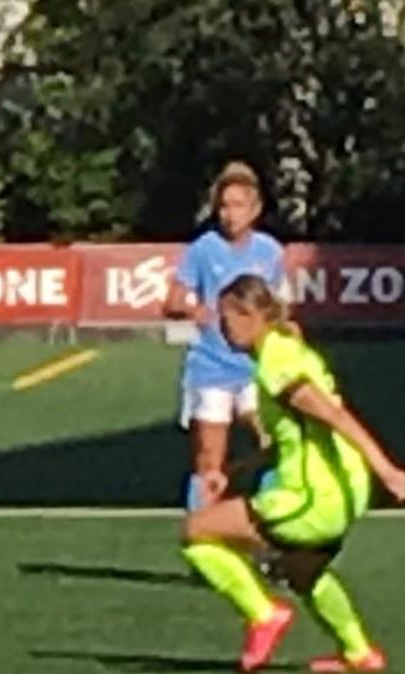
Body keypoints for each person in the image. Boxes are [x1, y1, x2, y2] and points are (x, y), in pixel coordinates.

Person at [181, 274, 405, 673]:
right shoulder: (290, 349)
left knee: (197, 532)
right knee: (306, 571)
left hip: (312, 496)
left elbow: (334, 415)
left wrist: (390, 472)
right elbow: (289, 438)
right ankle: (360, 654)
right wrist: (232, 472)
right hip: (344, 489)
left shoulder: (276, 362)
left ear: (249, 315)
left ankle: (263, 615)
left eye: (226, 318)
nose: (221, 327)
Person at [164, 162, 286, 512]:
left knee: (272, 446)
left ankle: (271, 530)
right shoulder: (203, 249)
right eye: (223, 206)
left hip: (256, 367)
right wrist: (193, 310)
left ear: (255, 209)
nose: (229, 214)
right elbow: (172, 300)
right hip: (212, 367)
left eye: (237, 205)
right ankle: (202, 534)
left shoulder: (270, 253)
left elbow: (276, 306)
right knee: (209, 459)